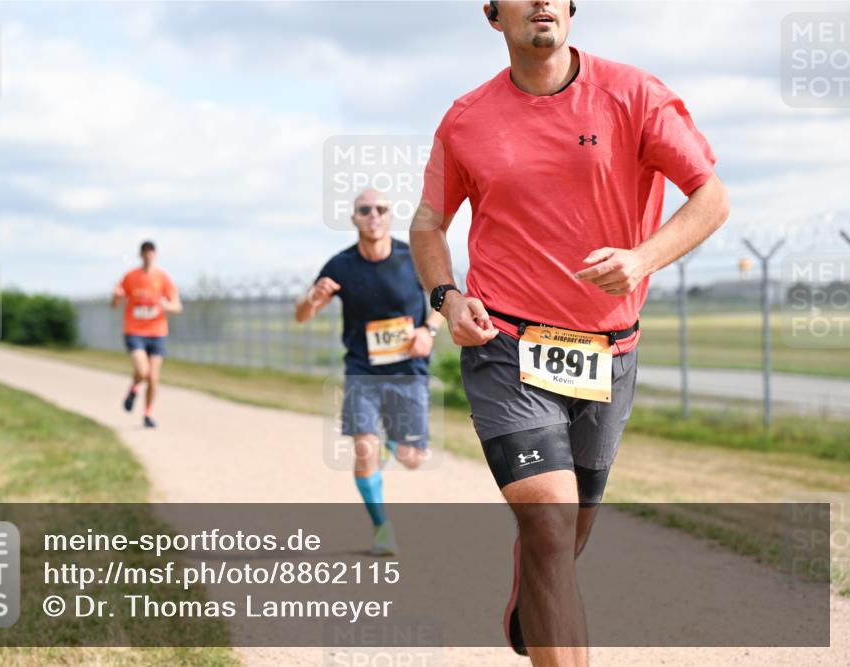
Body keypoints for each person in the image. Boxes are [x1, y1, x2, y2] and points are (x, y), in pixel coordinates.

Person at [409, 1, 729, 663]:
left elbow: (711, 197)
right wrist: (447, 296)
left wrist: (641, 258)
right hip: (506, 344)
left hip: (607, 352)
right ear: (495, 15)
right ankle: (542, 571)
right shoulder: (466, 120)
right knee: (550, 527)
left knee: (565, 536)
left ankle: (532, 586)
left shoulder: (635, 96)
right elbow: (427, 224)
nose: (543, 1)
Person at [296, 188, 444, 556]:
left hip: (409, 369)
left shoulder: (412, 258)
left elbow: (444, 297)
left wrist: (430, 330)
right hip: (362, 370)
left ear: (391, 215)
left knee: (411, 459)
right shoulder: (341, 265)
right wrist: (314, 298)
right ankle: (382, 528)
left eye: (381, 209)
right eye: (365, 210)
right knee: (364, 448)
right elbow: (300, 315)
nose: (373, 215)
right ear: (354, 218)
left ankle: (395, 442)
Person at [112, 240, 182, 428]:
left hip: (157, 332)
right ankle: (134, 389)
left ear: (156, 254)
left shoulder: (162, 278)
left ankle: (148, 414)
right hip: (135, 330)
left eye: (151, 252)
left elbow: (177, 305)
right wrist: (117, 296)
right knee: (142, 371)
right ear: (140, 254)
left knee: (153, 377)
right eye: (145, 252)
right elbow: (115, 304)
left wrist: (166, 305)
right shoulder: (130, 276)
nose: (148, 256)